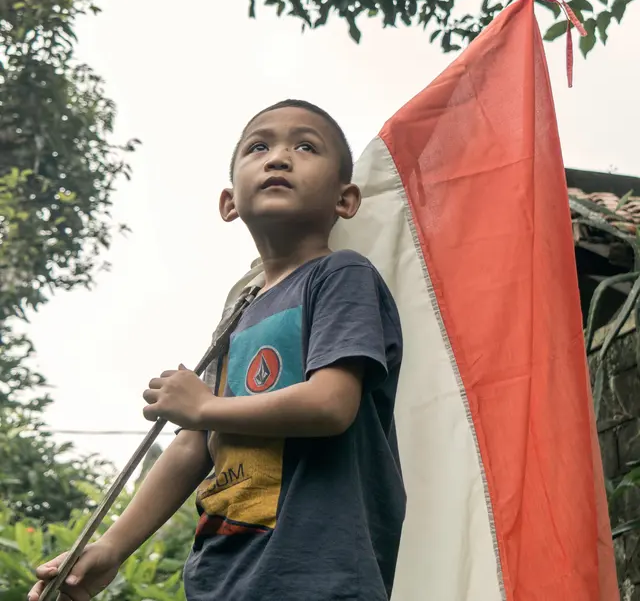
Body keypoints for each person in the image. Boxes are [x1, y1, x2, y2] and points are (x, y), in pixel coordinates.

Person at [29, 100, 405, 601]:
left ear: (346, 199)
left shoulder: (340, 276)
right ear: (229, 202)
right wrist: (111, 546)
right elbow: (193, 444)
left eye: (305, 146)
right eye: (259, 147)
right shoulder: (239, 314)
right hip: (220, 576)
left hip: (316, 574)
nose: (279, 158)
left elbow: (332, 404)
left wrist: (203, 405)